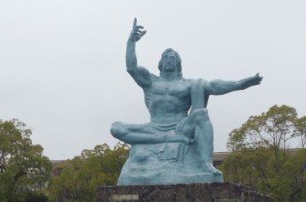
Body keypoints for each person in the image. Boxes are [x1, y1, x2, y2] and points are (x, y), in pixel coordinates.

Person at [111, 18, 262, 176]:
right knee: (116, 127)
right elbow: (132, 68)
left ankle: (205, 164)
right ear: (160, 63)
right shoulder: (150, 81)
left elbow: (213, 86)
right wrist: (131, 42)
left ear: (178, 63)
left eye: (173, 58)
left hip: (180, 128)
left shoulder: (189, 84)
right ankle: (164, 138)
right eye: (166, 58)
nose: (169, 60)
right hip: (153, 127)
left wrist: (240, 84)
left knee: (201, 114)